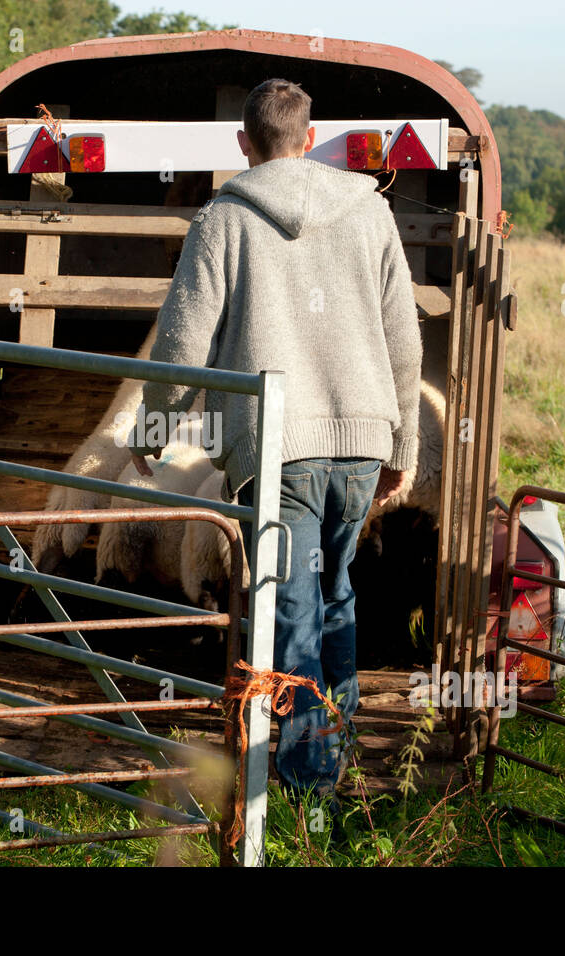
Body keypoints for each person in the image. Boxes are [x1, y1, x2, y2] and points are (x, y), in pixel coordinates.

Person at [126, 78, 422, 801]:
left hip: (278, 446)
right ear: (310, 135)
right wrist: (403, 448)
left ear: (243, 142)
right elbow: (403, 340)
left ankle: (305, 788)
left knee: (291, 610)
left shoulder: (223, 218)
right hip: (361, 440)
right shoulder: (371, 210)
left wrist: (154, 426)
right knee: (335, 594)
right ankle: (334, 755)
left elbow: (183, 338)